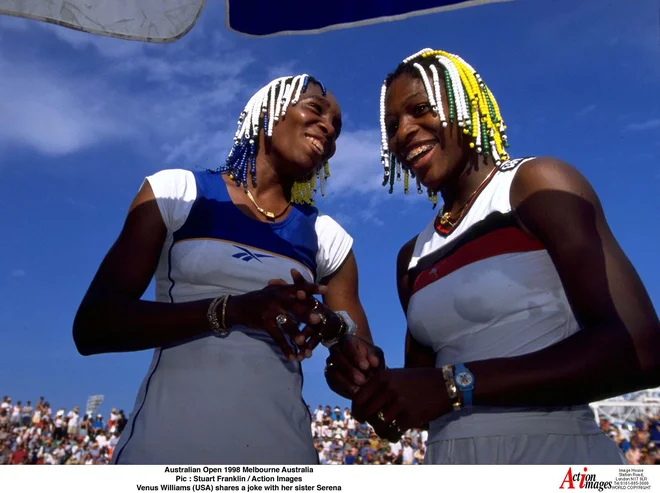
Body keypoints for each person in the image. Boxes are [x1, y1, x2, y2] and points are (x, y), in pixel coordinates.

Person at [325, 48, 660, 464]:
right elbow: (420, 401)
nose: (403, 132)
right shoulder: (410, 256)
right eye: (392, 126)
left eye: (420, 109)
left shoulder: (537, 185)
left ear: (466, 104)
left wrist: (455, 385)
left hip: (555, 457)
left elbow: (640, 349)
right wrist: (369, 383)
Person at [73, 74, 379, 465]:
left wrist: (333, 332)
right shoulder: (177, 192)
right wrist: (231, 310)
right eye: (316, 109)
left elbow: (365, 371)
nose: (329, 128)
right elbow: (94, 324)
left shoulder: (327, 238)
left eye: (337, 126)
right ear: (267, 115)